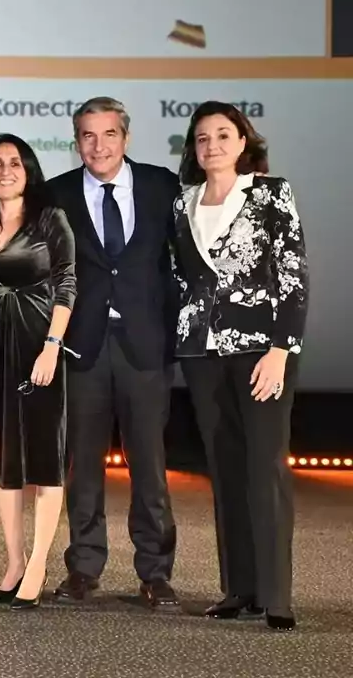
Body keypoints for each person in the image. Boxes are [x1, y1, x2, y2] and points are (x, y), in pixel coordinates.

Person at [171, 101, 309, 632]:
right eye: (202, 138)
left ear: (243, 140)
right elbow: (180, 279)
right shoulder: (182, 203)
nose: (212, 146)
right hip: (203, 355)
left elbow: (293, 275)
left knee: (265, 468)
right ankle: (240, 589)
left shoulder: (273, 194)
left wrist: (282, 349)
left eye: (223, 135)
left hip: (261, 353)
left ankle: (276, 595)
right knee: (225, 470)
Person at [45, 98, 182, 609]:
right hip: (82, 346)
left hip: (145, 344)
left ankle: (155, 570)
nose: (97, 145)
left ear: (125, 137)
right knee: (82, 464)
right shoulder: (55, 194)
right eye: (87, 135)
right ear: (76, 140)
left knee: (149, 462)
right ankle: (83, 566)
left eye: (108, 134)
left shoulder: (162, 186)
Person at [0, 133, 76, 610]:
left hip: (38, 344)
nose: (5, 171)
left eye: (14, 162)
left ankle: (39, 566)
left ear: (28, 170)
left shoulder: (50, 219)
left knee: (44, 455)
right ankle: (14, 560)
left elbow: (67, 283)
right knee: (3, 454)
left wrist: (52, 346)